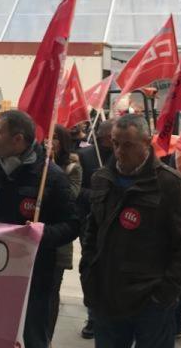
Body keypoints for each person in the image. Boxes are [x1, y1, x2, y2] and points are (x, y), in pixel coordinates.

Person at [80, 114, 181, 348]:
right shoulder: (102, 178)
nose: (120, 151)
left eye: (128, 145)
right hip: (107, 296)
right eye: (115, 143)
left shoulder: (171, 184)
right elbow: (92, 232)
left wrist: (164, 294)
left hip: (150, 301)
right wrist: (88, 274)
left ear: (147, 142)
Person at [0, 109, 80, 348]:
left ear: (17, 139)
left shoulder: (51, 176)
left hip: (34, 279)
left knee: (32, 338)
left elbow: (73, 224)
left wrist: (42, 233)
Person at [77, 117, 115, 339]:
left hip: (118, 226)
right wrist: (98, 196)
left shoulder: (123, 156)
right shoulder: (85, 156)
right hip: (91, 223)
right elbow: (77, 190)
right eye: (113, 138)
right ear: (103, 137)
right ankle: (93, 317)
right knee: (92, 269)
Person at [49, 124, 82, 331]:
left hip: (58, 241)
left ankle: (47, 337)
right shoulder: (35, 165)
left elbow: (70, 196)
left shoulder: (72, 168)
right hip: (35, 240)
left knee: (51, 292)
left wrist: (52, 169)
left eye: (54, 138)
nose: (49, 142)